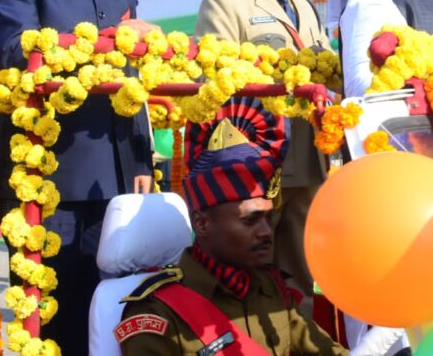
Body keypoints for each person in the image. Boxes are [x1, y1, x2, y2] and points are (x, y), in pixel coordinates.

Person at [0, 0, 157, 350]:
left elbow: (131, 84)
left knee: (117, 311)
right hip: (50, 175)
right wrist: (110, 38)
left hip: (117, 179)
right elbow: (16, 52)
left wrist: (142, 161)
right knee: (56, 317)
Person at [193, 0, 331, 311]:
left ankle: (298, 332)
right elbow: (216, 78)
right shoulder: (225, 0)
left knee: (301, 264)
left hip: (307, 151)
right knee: (249, 258)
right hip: (255, 154)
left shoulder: (302, 3)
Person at [117, 115, 347, 355]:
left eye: (268, 218)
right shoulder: (158, 313)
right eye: (250, 220)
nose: (266, 232)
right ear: (202, 224)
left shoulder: (269, 286)